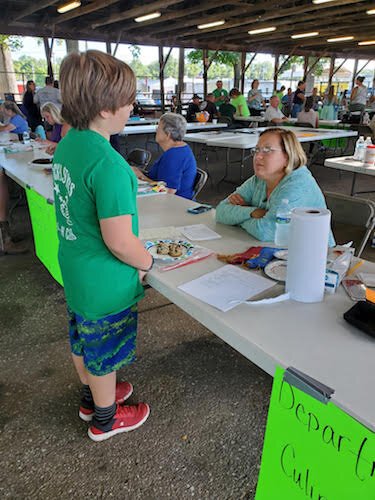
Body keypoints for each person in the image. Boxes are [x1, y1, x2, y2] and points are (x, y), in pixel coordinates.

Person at [53, 50, 152, 442]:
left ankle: (90, 398)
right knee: (105, 351)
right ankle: (106, 418)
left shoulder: (69, 144)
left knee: (82, 336)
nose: (132, 107)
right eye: (129, 100)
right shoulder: (108, 164)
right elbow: (119, 241)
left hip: (77, 271)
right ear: (108, 107)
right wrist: (148, 261)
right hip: (105, 282)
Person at [216, 127, 334, 245]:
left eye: (267, 150)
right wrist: (253, 212)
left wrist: (238, 216)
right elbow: (221, 212)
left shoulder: (298, 184)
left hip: (312, 256)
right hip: (273, 251)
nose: (258, 156)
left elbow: (266, 231)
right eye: (256, 150)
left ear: (288, 156)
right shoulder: (259, 179)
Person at [133, 113, 197, 200]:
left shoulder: (174, 156)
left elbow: (167, 191)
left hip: (174, 205)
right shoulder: (181, 149)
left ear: (168, 134)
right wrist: (139, 172)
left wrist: (142, 176)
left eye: (158, 128)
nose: (156, 130)